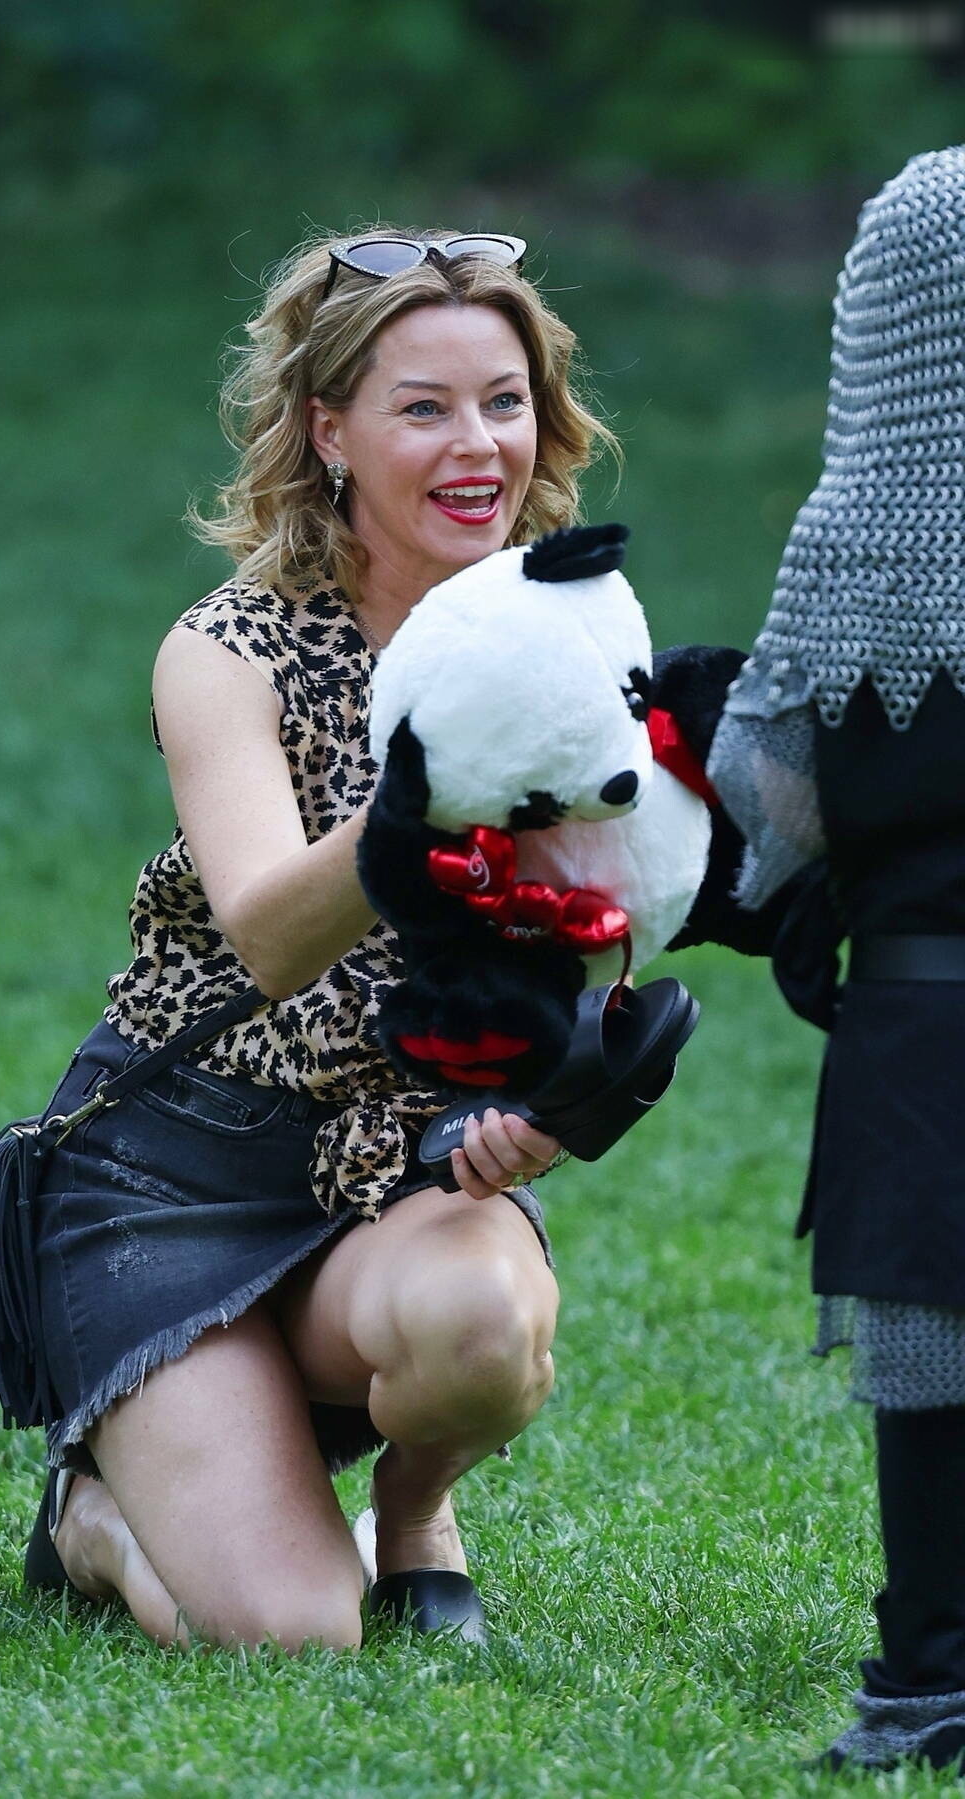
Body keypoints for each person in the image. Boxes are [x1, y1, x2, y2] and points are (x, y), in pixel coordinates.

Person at [0, 230, 620, 1654]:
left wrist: (560, 1082)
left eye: (505, 401)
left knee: (482, 1327)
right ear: (330, 432)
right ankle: (95, 1515)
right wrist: (435, 782)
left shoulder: (566, 639)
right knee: (290, 1635)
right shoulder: (229, 650)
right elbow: (274, 936)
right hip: (175, 1173)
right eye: (424, 408)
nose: (479, 446)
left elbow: (599, 926)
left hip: (393, 1170)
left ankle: (414, 1516)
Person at [708, 146, 965, 1773]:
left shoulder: (852, 560)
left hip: (929, 1031)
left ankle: (936, 1673)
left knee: (936, 1342)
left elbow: (765, 812)